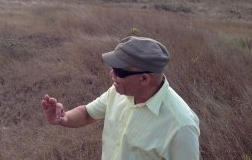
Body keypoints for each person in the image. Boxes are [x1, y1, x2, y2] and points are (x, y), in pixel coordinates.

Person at [41, 36, 200, 160]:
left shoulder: (181, 126)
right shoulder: (118, 92)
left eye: (119, 71)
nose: (111, 74)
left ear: (144, 79)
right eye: (112, 68)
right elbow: (88, 113)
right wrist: (65, 118)